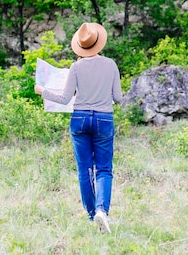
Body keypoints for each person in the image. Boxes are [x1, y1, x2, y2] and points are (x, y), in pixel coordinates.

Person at [34, 22, 123, 234]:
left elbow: (65, 99)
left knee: (85, 169)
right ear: (99, 43)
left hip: (80, 119)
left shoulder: (76, 67)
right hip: (104, 120)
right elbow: (118, 98)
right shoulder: (110, 64)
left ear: (81, 47)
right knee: (103, 169)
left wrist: (42, 91)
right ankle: (102, 210)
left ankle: (92, 215)